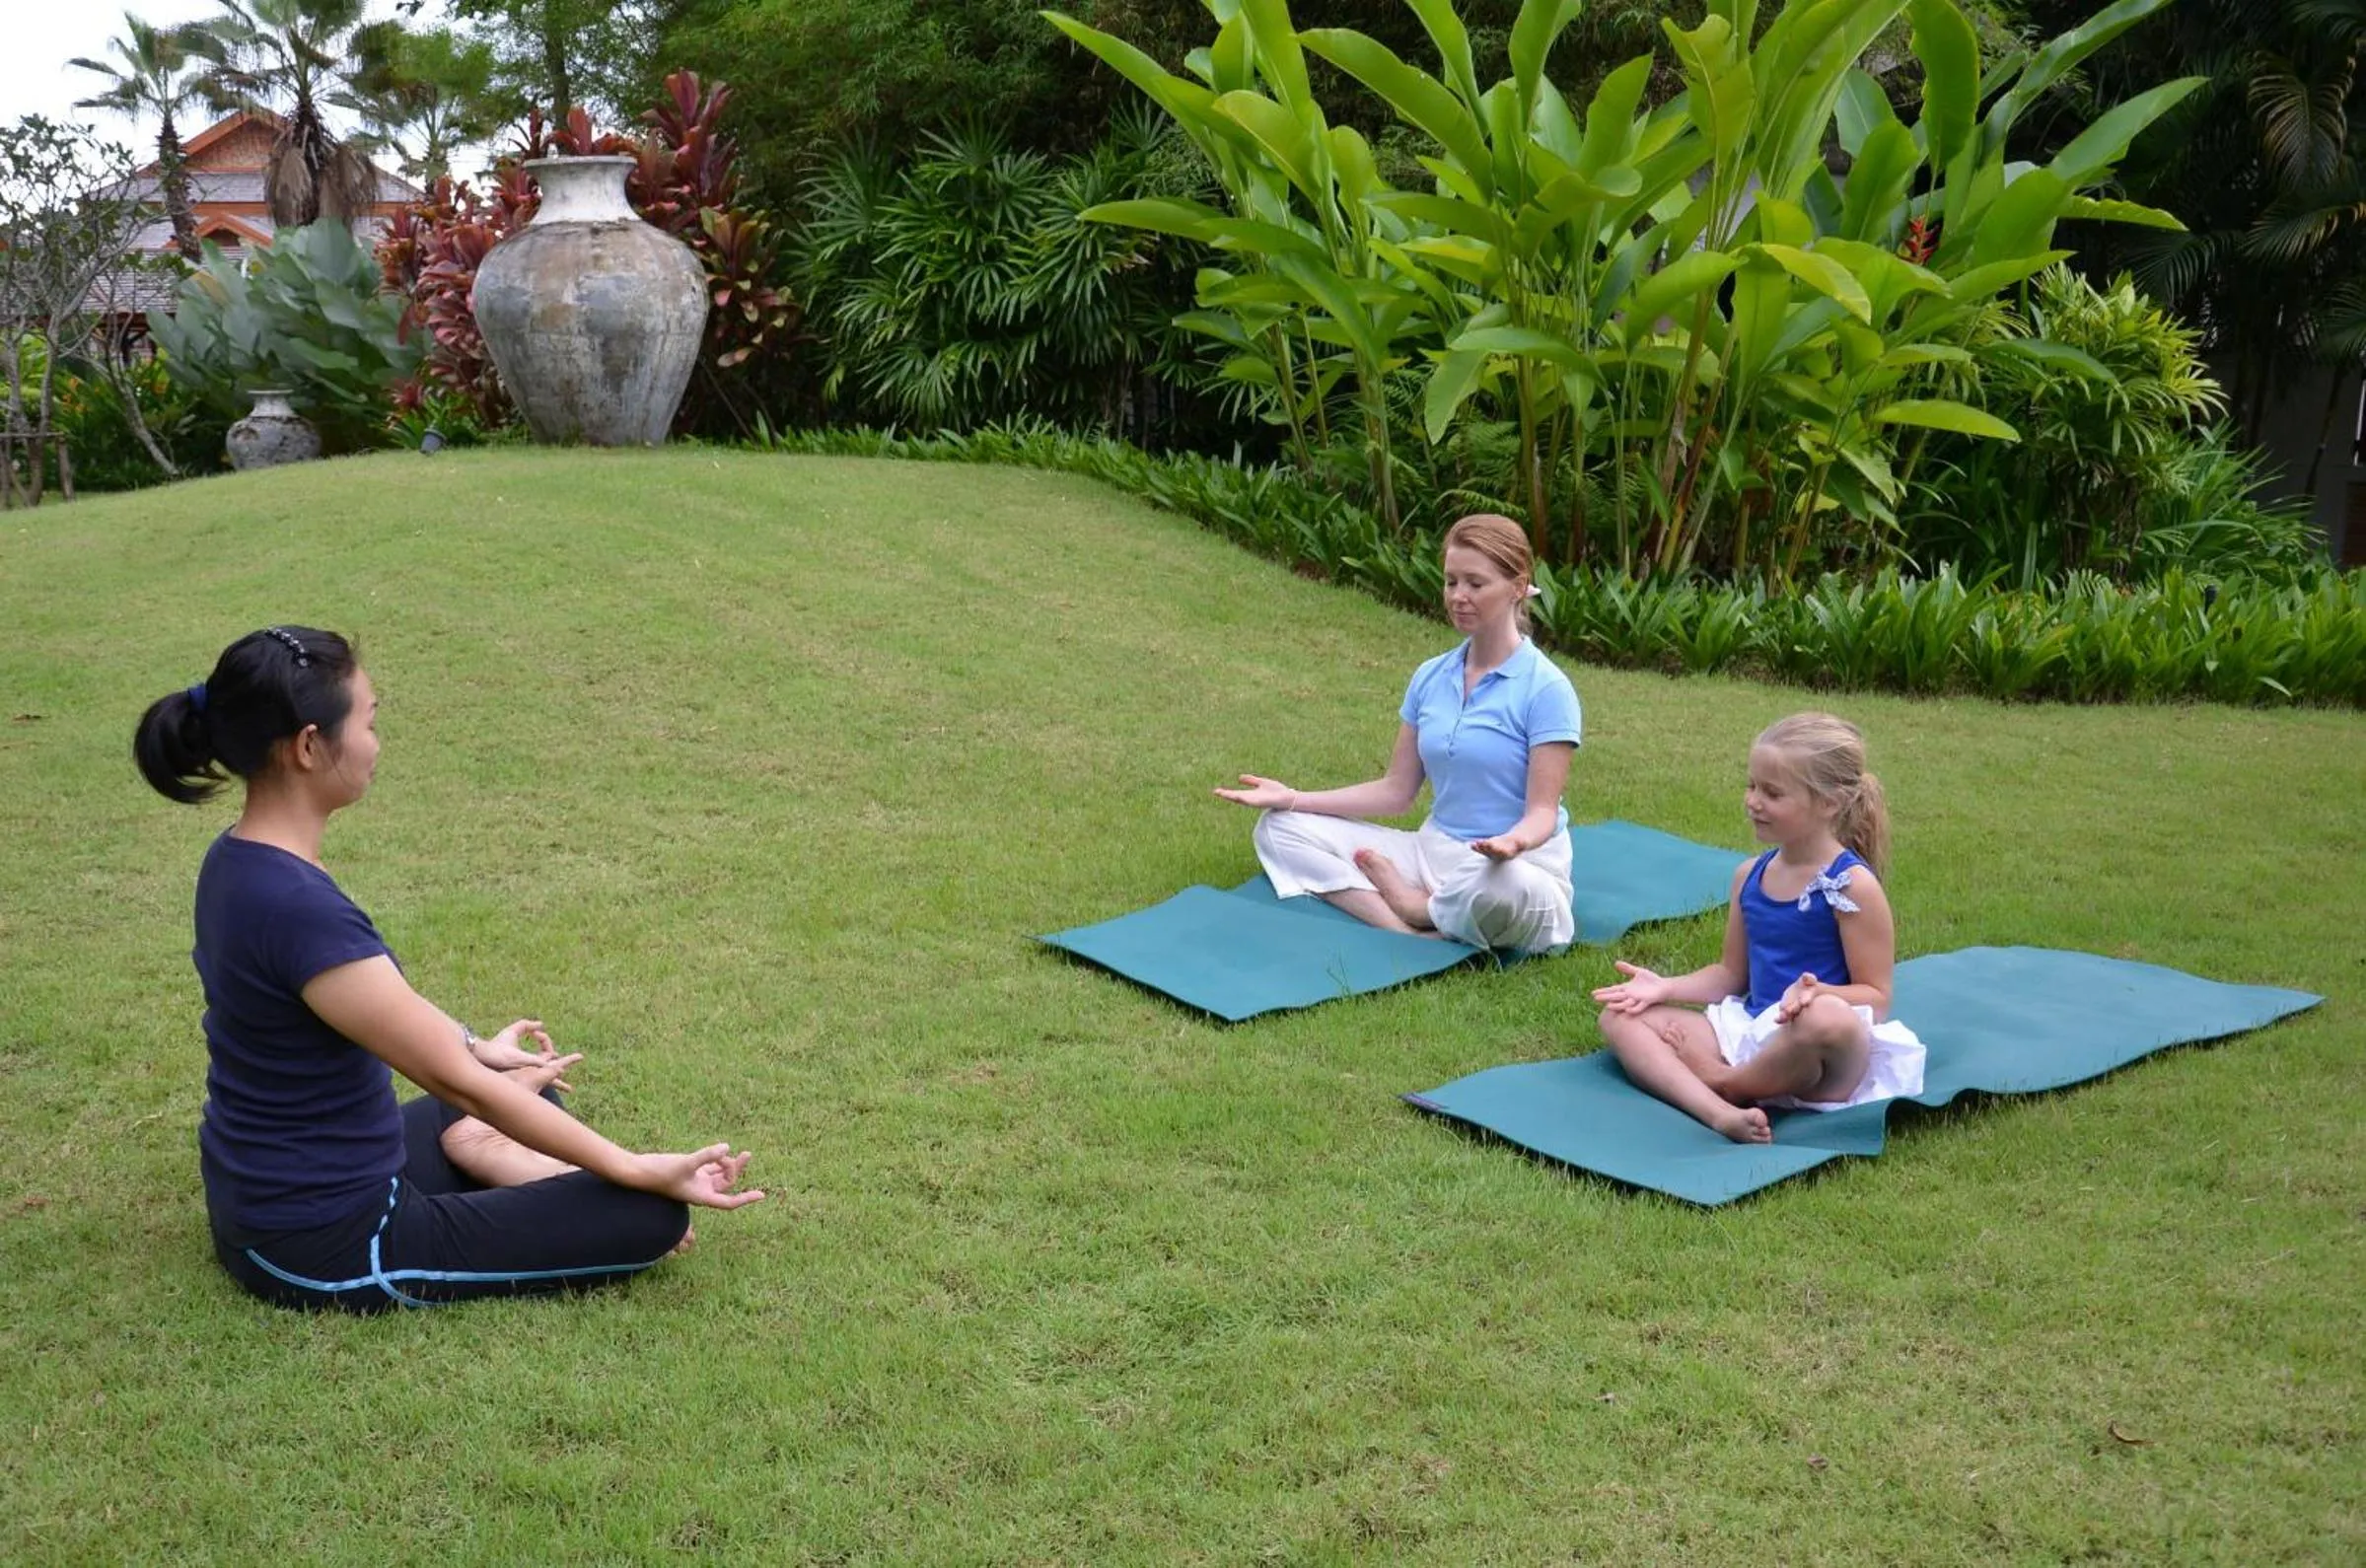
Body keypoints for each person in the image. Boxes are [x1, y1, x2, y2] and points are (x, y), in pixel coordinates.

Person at [133, 625, 764, 1312]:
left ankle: (486, 1150)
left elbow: (382, 1008)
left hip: (271, 1190)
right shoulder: (292, 903)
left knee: (526, 1093)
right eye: (369, 722)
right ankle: (537, 1170)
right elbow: (449, 1077)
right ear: (311, 746)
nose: (377, 742)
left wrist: (476, 1047)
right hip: (327, 1240)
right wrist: (634, 1169)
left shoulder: (240, 858)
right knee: (647, 1216)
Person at [1214, 514, 1582, 955]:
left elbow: (1542, 813)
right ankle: (1399, 928)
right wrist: (1291, 798)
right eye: (1451, 582)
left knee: (1509, 886)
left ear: (1518, 587)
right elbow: (1396, 791)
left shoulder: (1547, 688)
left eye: (1475, 584)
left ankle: (1421, 910)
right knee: (1279, 829)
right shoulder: (1431, 676)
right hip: (1434, 853)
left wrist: (1512, 843)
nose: (1458, 597)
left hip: (1510, 868)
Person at [1592, 712, 1925, 1143]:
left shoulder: (1853, 885)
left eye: (1772, 792)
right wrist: (1664, 988)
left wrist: (1817, 993)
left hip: (1818, 1056)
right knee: (1620, 1017)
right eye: (1751, 786)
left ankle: (1725, 1083)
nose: (1753, 801)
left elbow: (1876, 999)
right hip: (1753, 1031)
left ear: (1829, 803)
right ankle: (1718, 1113)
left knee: (1825, 1018)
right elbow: (1731, 976)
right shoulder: (1750, 875)